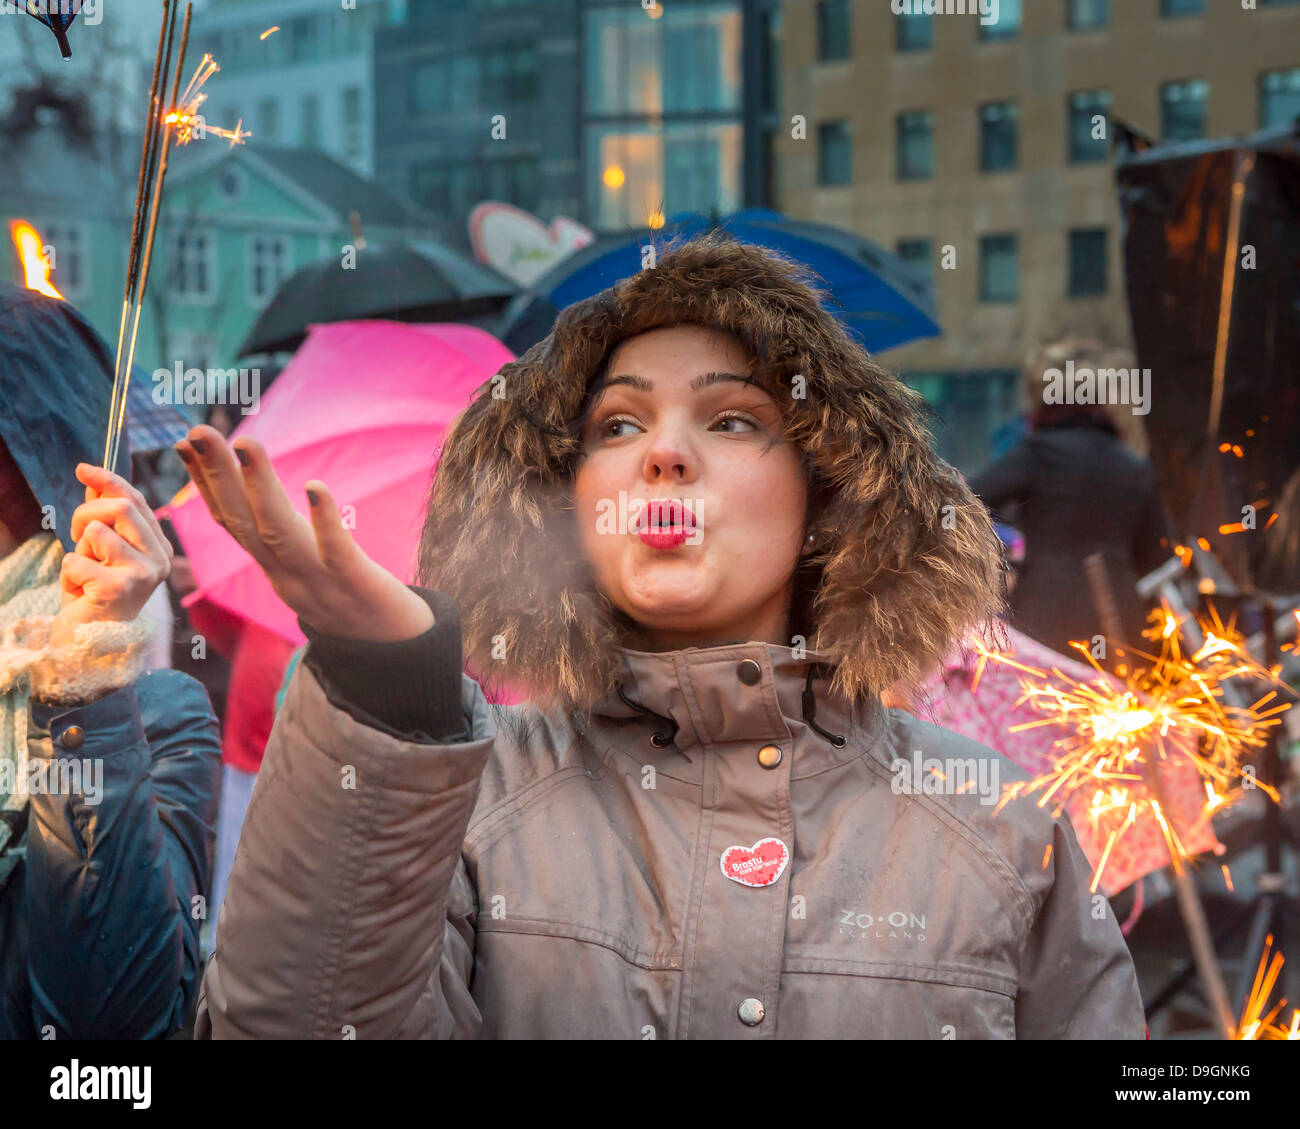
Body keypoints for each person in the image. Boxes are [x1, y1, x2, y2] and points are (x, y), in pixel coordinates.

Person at [187, 233, 1145, 1039]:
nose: (664, 452)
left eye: (730, 419)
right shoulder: (464, 799)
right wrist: (380, 680)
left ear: (825, 490)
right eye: (616, 423)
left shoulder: (1001, 828)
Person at [969, 339, 1174, 657]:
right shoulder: (1135, 466)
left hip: (1048, 616)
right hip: (1122, 623)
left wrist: (997, 567)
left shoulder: (1040, 453)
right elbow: (1157, 559)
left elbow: (967, 502)